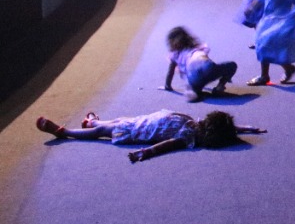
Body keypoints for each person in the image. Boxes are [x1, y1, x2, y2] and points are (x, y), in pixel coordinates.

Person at [35, 109, 265, 162]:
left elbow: (168, 145)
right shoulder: (195, 123)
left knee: (102, 132)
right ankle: (93, 120)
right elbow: (226, 129)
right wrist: (246, 128)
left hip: (137, 131)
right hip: (141, 121)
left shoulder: (188, 135)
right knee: (116, 120)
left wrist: (145, 152)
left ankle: (65, 132)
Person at [162, 26, 237, 102]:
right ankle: (220, 87)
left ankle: (193, 91)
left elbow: (170, 73)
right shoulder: (196, 46)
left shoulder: (174, 54)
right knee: (232, 65)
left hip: (193, 75)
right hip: (208, 67)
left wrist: (167, 86)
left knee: (194, 84)